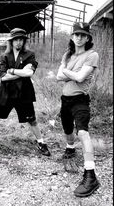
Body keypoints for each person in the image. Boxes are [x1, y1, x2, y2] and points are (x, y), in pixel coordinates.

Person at [56, 22, 100, 197]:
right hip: (65, 99)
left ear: (88, 37)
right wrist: (71, 74)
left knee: (82, 132)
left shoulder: (92, 55)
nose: (79, 38)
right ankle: (70, 147)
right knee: (67, 130)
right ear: (72, 36)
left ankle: (90, 174)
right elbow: (58, 77)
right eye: (76, 34)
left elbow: (81, 78)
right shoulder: (68, 54)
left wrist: (68, 73)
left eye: (83, 35)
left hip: (80, 100)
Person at [0, 28, 51, 156]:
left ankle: (41, 142)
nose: (18, 42)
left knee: (32, 120)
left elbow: (29, 72)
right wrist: (21, 73)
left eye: (21, 40)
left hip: (24, 93)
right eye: (16, 40)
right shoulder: (5, 56)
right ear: (11, 41)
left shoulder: (29, 55)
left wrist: (12, 71)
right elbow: (3, 77)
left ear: (24, 41)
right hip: (6, 93)